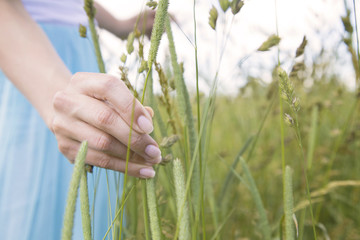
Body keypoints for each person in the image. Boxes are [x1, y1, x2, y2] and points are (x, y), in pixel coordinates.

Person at [0, 0, 159, 239]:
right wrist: (59, 93)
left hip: (84, 51)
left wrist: (119, 25)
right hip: (27, 57)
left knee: (94, 205)